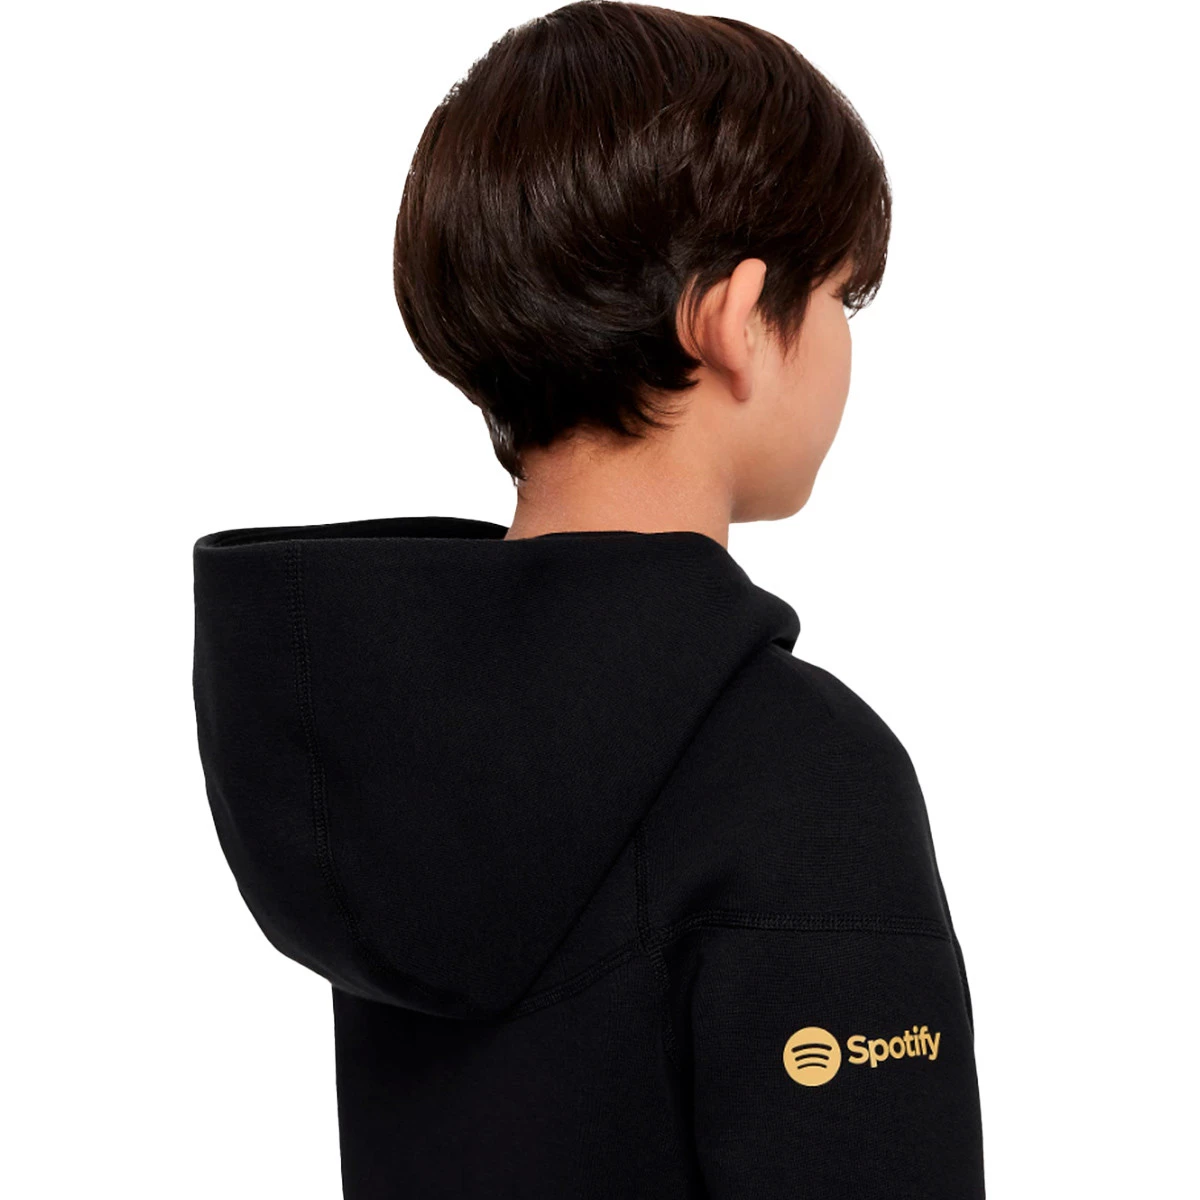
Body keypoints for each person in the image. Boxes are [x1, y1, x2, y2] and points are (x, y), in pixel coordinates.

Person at [192, 2, 986, 1196]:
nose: (845, 340)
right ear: (734, 320)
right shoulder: (798, 772)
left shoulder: (400, 746)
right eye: (843, 295)